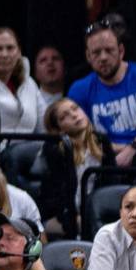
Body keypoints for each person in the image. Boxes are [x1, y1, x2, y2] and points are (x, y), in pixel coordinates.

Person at [70, 22, 136, 166]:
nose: (103, 57)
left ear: (121, 51)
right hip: (107, 160)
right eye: (96, 53)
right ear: (88, 56)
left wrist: (133, 148)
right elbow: (78, 136)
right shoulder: (79, 89)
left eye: (109, 50)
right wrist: (119, 150)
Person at [39, 97, 108, 238]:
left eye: (75, 108)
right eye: (64, 116)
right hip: (62, 215)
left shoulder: (102, 142)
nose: (74, 115)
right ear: (58, 128)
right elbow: (56, 197)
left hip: (94, 210)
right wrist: (74, 217)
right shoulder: (54, 150)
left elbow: (110, 182)